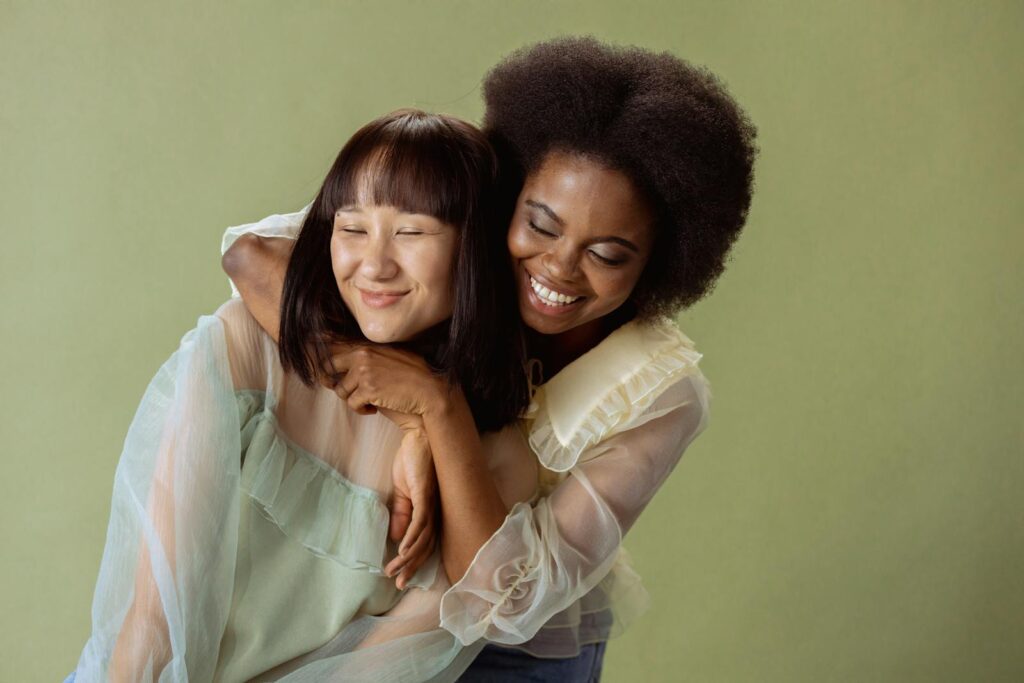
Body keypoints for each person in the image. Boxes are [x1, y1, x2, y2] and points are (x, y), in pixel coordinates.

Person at [221, 36, 758, 681]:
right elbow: (255, 259)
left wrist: (436, 408)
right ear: (508, 197)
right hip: (386, 606)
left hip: (516, 654)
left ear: (659, 264)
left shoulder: (662, 394)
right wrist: (402, 405)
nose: (559, 267)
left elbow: (502, 603)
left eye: (608, 254)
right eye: (541, 224)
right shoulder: (458, 236)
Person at [69, 109, 533, 682]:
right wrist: (410, 412)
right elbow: (154, 627)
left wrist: (436, 408)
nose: (374, 265)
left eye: (411, 232)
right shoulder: (245, 346)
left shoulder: (495, 457)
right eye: (352, 228)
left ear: (475, 251)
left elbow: (432, 627)